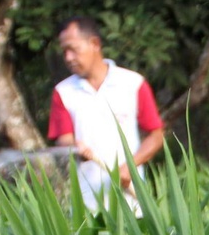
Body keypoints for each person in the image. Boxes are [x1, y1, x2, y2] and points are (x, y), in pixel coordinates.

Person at [47, 16, 165, 213]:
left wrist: (130, 166)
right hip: (86, 208)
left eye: (73, 49)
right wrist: (75, 148)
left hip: (133, 203)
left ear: (94, 44)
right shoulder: (63, 92)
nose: (68, 57)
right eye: (64, 51)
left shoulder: (132, 83)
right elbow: (63, 141)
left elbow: (156, 135)